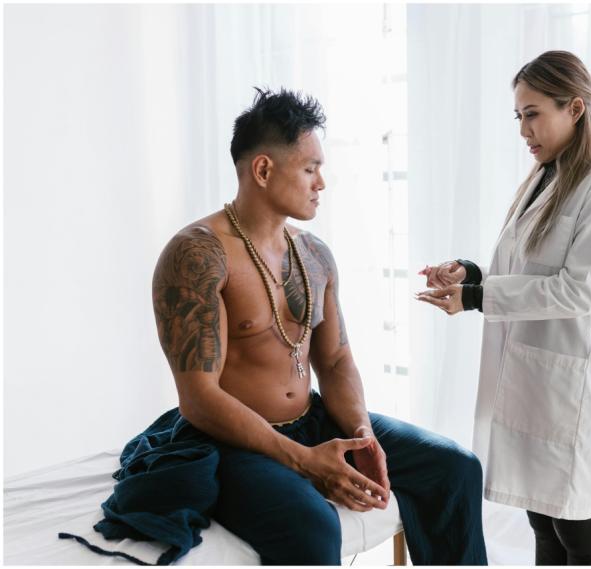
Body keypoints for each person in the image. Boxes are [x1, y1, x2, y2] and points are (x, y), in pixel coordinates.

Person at [71, 88, 487, 566]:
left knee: (456, 468)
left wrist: (362, 434)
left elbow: (335, 360)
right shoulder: (197, 254)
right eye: (310, 168)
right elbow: (199, 397)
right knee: (312, 525)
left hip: (311, 418)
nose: (322, 183)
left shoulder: (314, 254)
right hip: (231, 439)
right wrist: (304, 461)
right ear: (264, 170)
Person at [416, 51, 591, 566]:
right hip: (531, 379)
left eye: (534, 113)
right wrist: (470, 274)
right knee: (541, 519)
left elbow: (579, 291)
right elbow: (524, 270)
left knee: (576, 526)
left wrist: (477, 298)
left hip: (573, 385)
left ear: (575, 109)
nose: (524, 130)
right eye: (519, 116)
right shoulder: (545, 178)